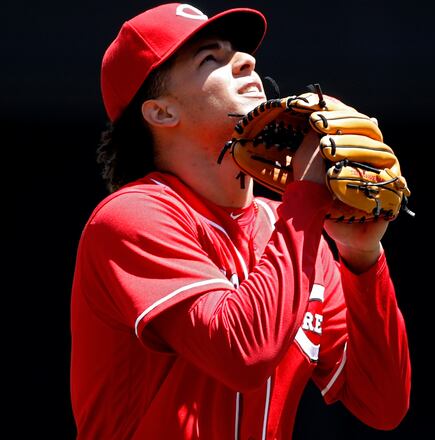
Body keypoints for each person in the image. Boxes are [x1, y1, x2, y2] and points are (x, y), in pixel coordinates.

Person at [70, 3, 411, 439]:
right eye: (209, 59)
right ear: (161, 113)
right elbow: (242, 353)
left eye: (240, 53)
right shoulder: (132, 217)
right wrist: (305, 198)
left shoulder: (289, 225)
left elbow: (382, 404)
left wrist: (362, 260)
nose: (246, 61)